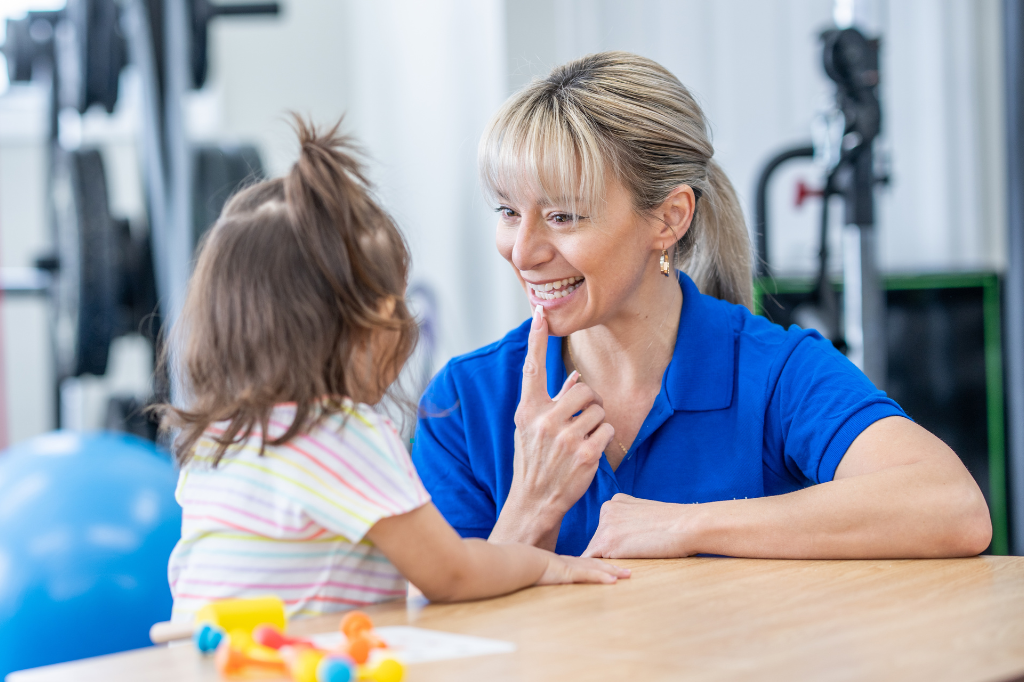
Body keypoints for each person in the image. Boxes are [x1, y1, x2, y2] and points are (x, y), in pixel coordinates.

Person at [411, 52, 992, 560]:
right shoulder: (465, 401)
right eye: (508, 212)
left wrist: (686, 525)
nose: (524, 250)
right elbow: (440, 639)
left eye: (564, 216)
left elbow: (951, 505)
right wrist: (530, 509)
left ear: (669, 218)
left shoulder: (772, 372)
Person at [160, 118, 628, 622]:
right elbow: (450, 574)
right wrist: (543, 567)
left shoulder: (216, 436)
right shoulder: (342, 435)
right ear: (379, 321)